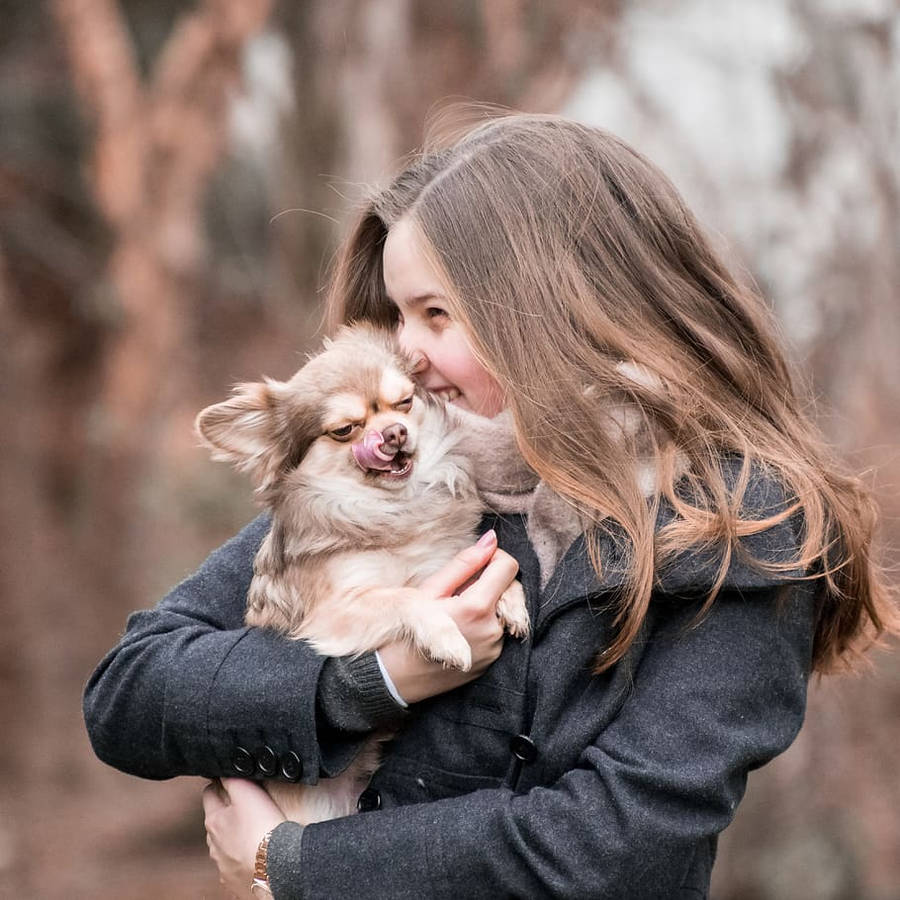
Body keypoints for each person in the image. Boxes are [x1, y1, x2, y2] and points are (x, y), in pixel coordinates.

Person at [83, 111, 895, 899]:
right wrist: (363, 683)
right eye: (399, 315)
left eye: (435, 314)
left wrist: (292, 866)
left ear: (560, 306)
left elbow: (619, 847)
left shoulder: (734, 520)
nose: (405, 351)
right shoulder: (394, 476)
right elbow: (130, 689)